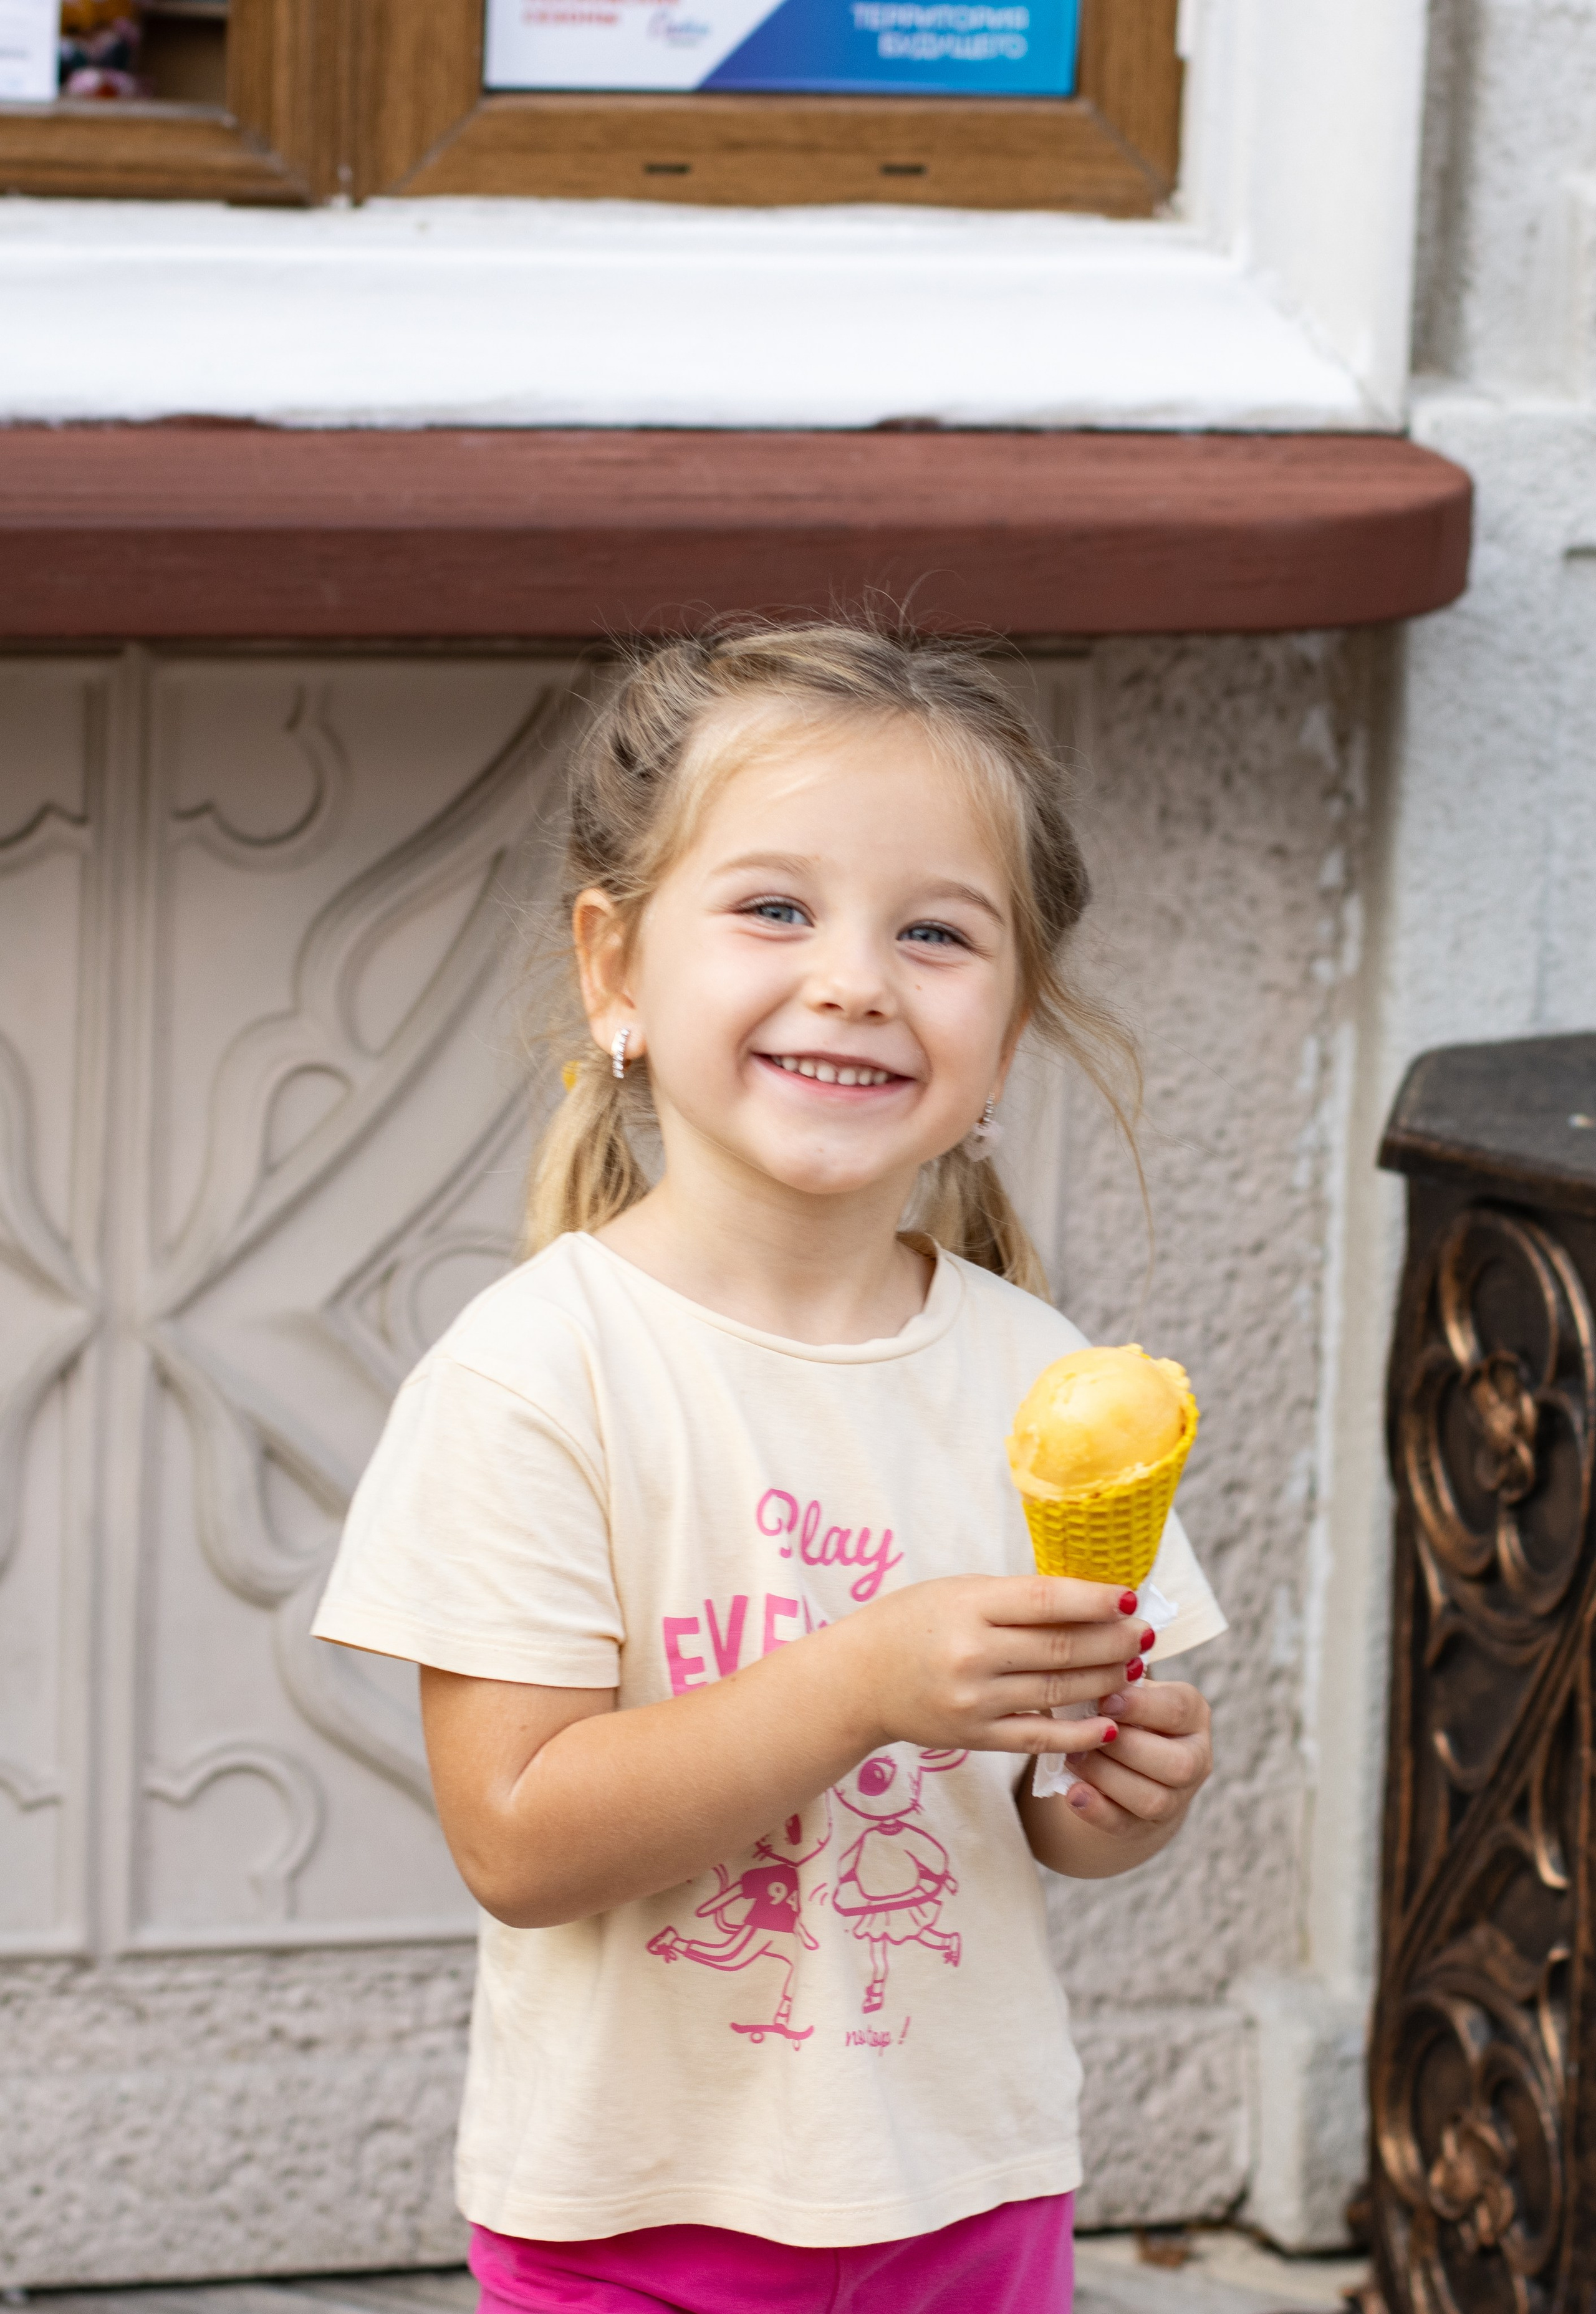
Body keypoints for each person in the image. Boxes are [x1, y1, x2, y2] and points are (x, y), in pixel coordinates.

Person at [313, 621, 1226, 2314]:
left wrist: (1119, 1796)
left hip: (967, 2195)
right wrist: (861, 1683)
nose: (857, 979)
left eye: (936, 932)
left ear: (1010, 1029)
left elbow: (1055, 1815)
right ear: (615, 970)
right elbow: (517, 1839)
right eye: (775, 907)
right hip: (633, 2221)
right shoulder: (538, 1376)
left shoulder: (1045, 1384)